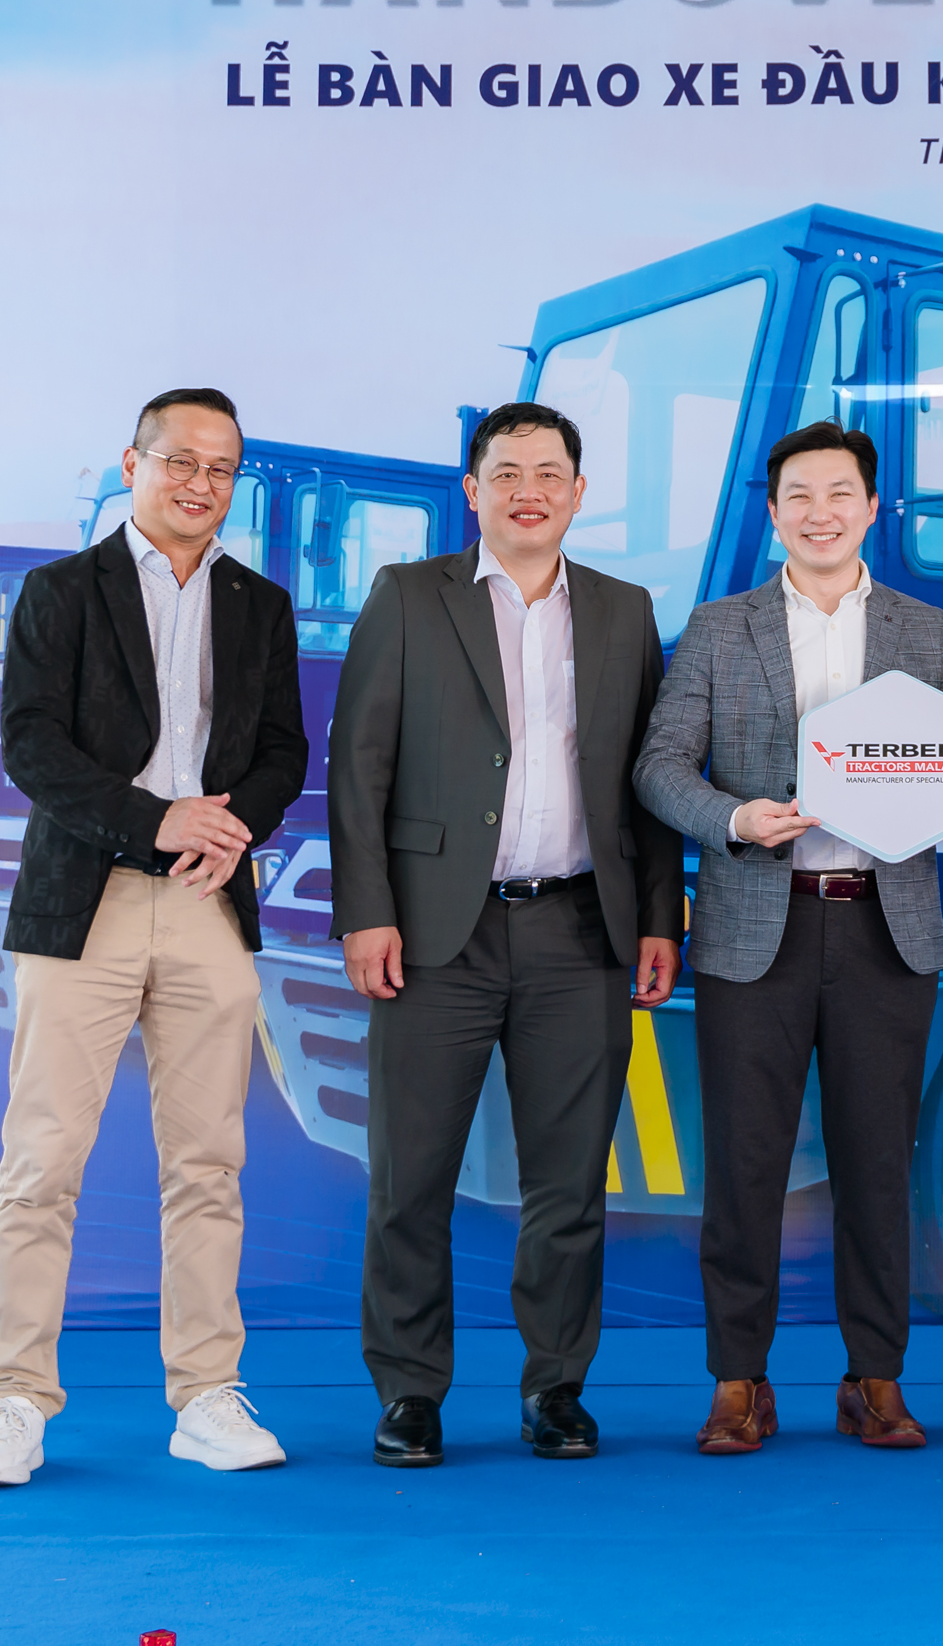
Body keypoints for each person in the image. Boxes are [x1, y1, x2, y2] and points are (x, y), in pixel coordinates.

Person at [0, 387, 309, 1488]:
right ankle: (15, 1399)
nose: (200, 481)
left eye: (221, 466)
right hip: (84, 900)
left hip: (208, 901)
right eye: (180, 459)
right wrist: (157, 819)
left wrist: (230, 827)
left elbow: (285, 750)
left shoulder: (260, 603)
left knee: (208, 1164)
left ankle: (206, 1393)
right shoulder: (61, 591)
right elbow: (31, 746)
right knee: (41, 1161)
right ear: (133, 462)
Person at [324, 400, 683, 1467]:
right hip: (437, 932)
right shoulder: (408, 595)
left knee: (568, 1183)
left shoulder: (624, 610)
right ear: (472, 490)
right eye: (508, 471)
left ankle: (556, 1386)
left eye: (550, 472)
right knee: (411, 1178)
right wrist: (366, 910)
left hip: (580, 929)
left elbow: (649, 778)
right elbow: (358, 765)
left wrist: (657, 916)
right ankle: (409, 1390)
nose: (530, 489)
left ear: (578, 492)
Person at [634, 420, 943, 1455]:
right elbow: (659, 765)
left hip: (884, 926)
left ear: (872, 506)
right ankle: (739, 1379)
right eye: (799, 496)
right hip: (754, 925)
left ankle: (876, 1376)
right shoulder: (719, 626)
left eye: (840, 493)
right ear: (773, 513)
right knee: (744, 1165)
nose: (821, 513)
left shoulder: (923, 628)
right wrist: (733, 817)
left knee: (878, 1163)